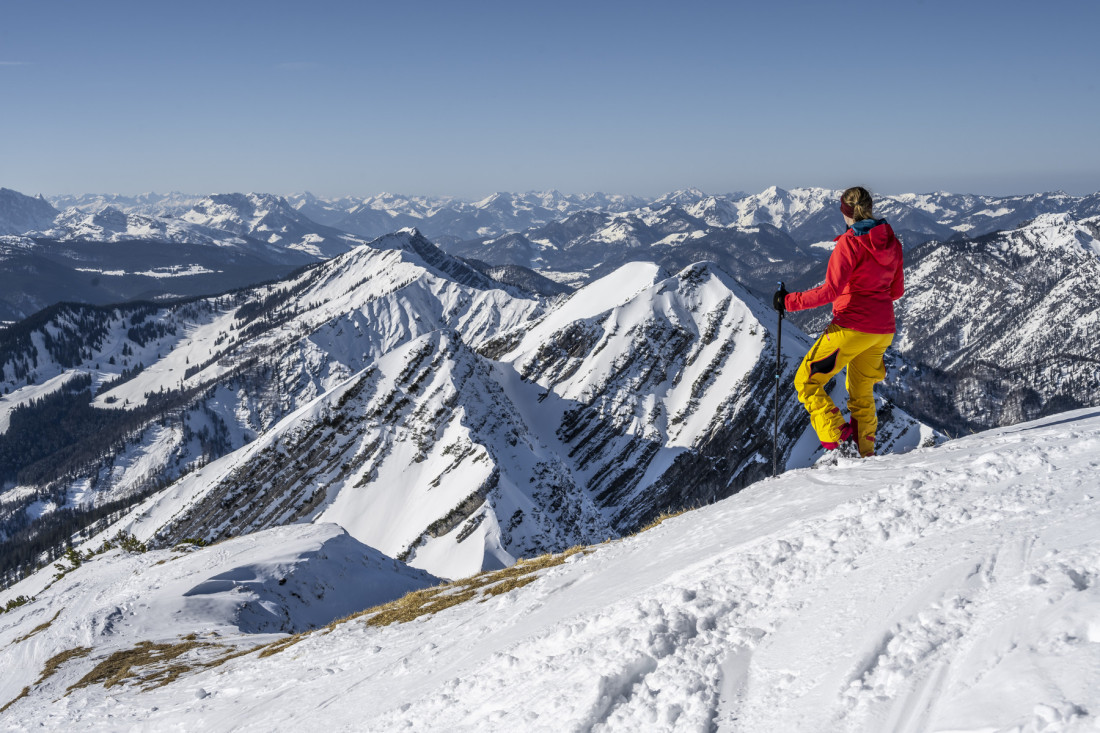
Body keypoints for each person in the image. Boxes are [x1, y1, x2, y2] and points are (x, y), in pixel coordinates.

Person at [773, 186, 904, 458]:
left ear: (845, 212)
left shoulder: (849, 243)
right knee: (861, 391)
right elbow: (896, 291)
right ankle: (864, 452)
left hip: (851, 327)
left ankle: (840, 440)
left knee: (806, 381)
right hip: (883, 330)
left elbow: (830, 291)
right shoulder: (891, 241)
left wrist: (788, 301)